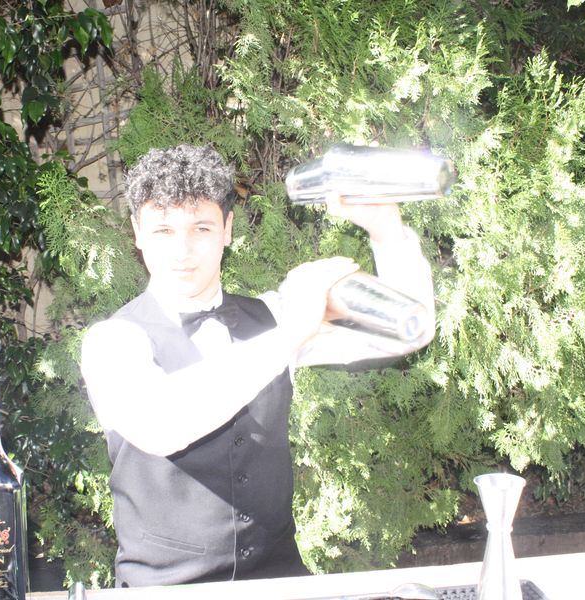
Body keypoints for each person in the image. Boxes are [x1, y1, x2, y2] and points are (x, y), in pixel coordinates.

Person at [80, 144, 435, 588]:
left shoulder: (272, 317)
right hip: (164, 592)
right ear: (137, 232)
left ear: (227, 229)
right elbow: (162, 425)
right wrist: (291, 334)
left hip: (280, 583)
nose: (182, 251)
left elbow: (409, 330)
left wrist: (387, 228)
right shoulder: (112, 341)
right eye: (163, 230)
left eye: (201, 228)